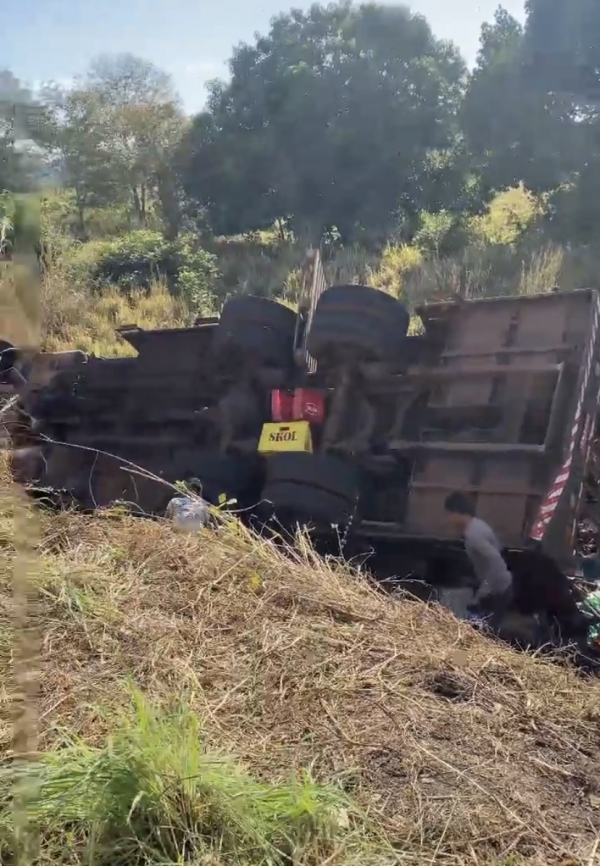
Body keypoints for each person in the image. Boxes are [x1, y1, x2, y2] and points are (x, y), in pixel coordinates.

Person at [444, 492, 514, 633]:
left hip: (499, 590)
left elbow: (495, 561)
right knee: (485, 630)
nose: (448, 519)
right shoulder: (477, 525)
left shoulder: (473, 535)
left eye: (449, 514)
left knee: (485, 633)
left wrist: (484, 591)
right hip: (500, 588)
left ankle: (463, 655)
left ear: (457, 512)